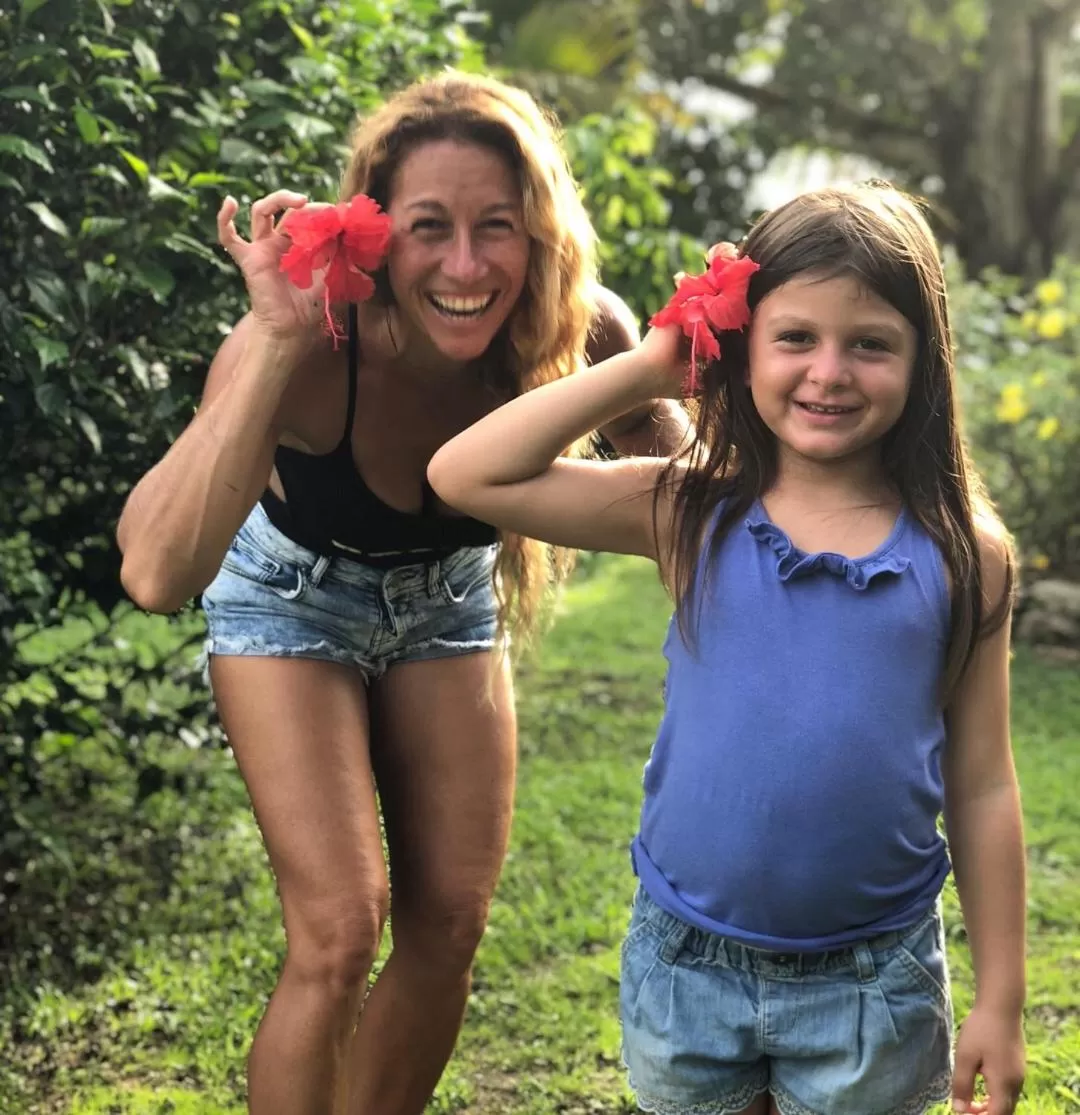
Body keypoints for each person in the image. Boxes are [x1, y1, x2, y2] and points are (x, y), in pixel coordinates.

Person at [115, 70, 691, 1115]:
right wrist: (275, 340)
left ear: (541, 234)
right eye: (429, 227)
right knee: (339, 929)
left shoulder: (579, 331)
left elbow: (701, 517)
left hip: (448, 606)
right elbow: (156, 571)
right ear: (376, 230)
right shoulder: (305, 336)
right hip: (289, 594)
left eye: (497, 227)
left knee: (451, 923)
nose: (465, 266)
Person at [427, 182, 1027, 1115]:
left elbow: (985, 782)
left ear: (924, 360)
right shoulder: (693, 509)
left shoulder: (963, 557)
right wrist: (648, 369)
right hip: (688, 964)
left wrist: (1002, 1000)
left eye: (870, 343)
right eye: (796, 338)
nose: (829, 371)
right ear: (744, 349)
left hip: (872, 981)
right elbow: (464, 473)